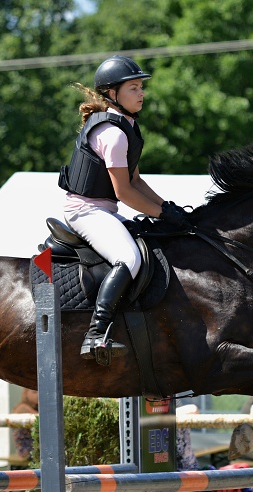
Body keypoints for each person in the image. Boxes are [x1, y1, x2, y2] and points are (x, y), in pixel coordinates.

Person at [58, 55, 190, 364]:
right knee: (128, 258)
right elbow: (125, 193)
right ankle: (96, 333)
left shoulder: (127, 128)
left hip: (102, 208)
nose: (141, 93)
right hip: (85, 211)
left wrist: (168, 209)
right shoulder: (113, 134)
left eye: (141, 87)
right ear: (113, 93)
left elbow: (136, 180)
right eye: (134, 87)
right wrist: (160, 213)